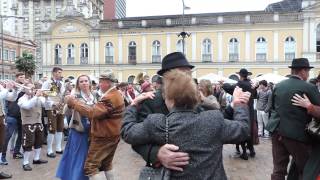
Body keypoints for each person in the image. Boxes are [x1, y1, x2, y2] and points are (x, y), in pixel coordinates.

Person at [122, 69, 251, 179]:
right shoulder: (214, 119)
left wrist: (133, 105)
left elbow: (127, 131)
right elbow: (243, 129)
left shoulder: (157, 123)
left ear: (169, 99)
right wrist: (239, 104)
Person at [266, 58, 320, 180]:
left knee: (278, 170)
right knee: (306, 168)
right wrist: (310, 107)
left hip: (276, 131)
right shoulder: (309, 88)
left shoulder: (278, 86)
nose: (308, 74)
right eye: (307, 71)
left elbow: (272, 107)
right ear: (302, 71)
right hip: (296, 135)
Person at [65, 73, 125, 180]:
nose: (99, 84)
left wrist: (74, 103)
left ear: (107, 83)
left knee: (90, 167)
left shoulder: (108, 96)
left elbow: (92, 112)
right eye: (81, 81)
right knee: (107, 164)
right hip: (106, 133)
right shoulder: (114, 94)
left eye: (101, 82)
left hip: (104, 135)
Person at [57, 75, 95, 180]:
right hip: (79, 130)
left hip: (93, 132)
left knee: (90, 158)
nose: (84, 83)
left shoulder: (95, 95)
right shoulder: (75, 96)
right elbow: (66, 112)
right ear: (78, 84)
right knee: (79, 157)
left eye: (86, 81)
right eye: (81, 81)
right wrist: (69, 104)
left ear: (89, 83)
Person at [223, 68, 258, 160]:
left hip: (242, 109)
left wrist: (223, 83)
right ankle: (252, 150)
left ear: (240, 75)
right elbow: (255, 94)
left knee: (241, 128)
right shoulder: (251, 84)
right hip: (250, 110)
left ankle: (244, 153)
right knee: (249, 130)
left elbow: (229, 88)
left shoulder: (240, 83)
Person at [18, 83, 52, 171]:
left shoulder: (38, 98)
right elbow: (27, 106)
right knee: (28, 143)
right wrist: (36, 96)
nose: (33, 90)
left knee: (39, 141)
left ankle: (36, 159)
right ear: (25, 89)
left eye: (33, 88)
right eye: (30, 88)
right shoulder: (22, 99)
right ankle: (25, 163)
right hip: (27, 123)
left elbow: (48, 106)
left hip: (38, 122)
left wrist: (47, 97)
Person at [2, 73, 27, 164]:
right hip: (11, 114)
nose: (23, 79)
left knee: (21, 135)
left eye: (24, 77)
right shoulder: (11, 87)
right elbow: (11, 98)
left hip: (22, 115)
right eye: (21, 77)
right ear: (16, 78)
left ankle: (16, 152)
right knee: (7, 136)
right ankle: (3, 156)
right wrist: (17, 89)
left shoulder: (24, 87)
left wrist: (27, 89)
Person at [41, 67, 65, 158]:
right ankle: (49, 150)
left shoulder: (61, 83)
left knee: (60, 128)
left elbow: (62, 94)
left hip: (60, 107)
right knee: (52, 129)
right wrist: (52, 103)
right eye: (59, 72)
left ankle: (58, 148)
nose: (60, 74)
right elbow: (43, 94)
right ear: (54, 73)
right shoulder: (47, 83)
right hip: (51, 107)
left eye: (61, 72)